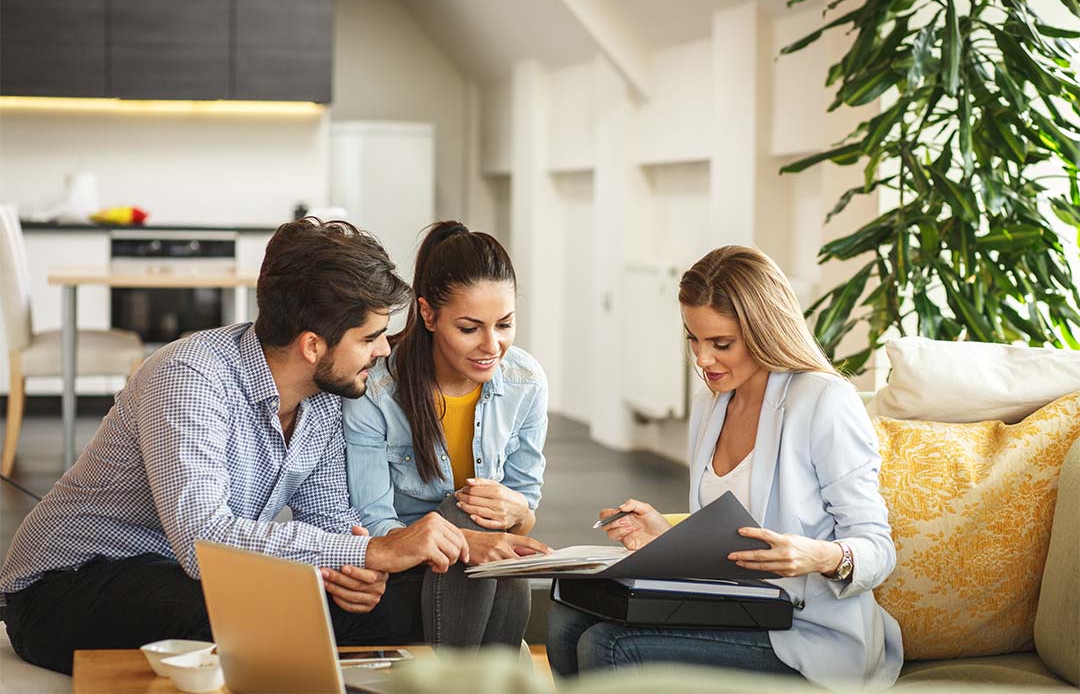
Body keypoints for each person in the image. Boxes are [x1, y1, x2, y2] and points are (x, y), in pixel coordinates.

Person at [0, 218, 472, 675]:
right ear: (312, 345)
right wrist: (371, 554)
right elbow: (202, 540)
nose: (384, 350)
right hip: (65, 586)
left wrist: (354, 573)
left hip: (190, 578)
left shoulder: (327, 397)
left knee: (402, 609)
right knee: (251, 611)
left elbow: (328, 525)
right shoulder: (190, 377)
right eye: (369, 338)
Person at [547, 246, 902, 688]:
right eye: (693, 338)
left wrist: (818, 556)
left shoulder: (824, 401)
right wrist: (666, 535)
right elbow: (730, 536)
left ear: (765, 331)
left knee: (609, 645)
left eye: (721, 344)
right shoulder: (711, 405)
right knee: (566, 620)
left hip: (808, 633)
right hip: (736, 610)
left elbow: (878, 550)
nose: (702, 359)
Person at [343, 221, 550, 649]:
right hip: (405, 567)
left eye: (505, 325)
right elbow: (374, 523)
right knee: (461, 513)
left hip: (481, 571)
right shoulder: (377, 390)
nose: (492, 345)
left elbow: (524, 515)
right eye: (470, 329)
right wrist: (465, 540)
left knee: (491, 537)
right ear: (428, 314)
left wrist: (516, 511)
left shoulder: (526, 382)